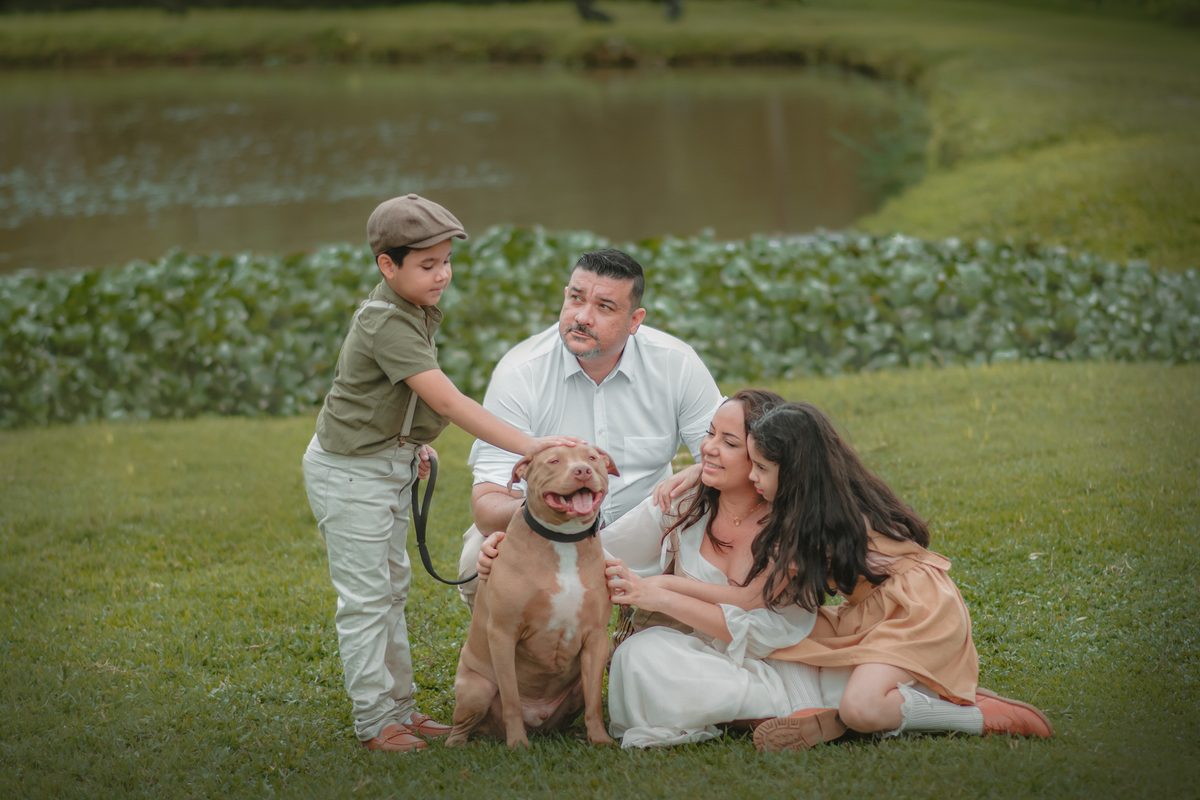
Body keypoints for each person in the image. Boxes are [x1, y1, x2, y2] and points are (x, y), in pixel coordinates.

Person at [301, 194, 580, 754]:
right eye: (428, 265)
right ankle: (375, 721)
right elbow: (448, 401)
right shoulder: (386, 321)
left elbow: (399, 396)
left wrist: (411, 443)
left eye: (447, 262)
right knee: (366, 599)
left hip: (384, 462)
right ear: (388, 265)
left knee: (392, 590)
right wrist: (532, 445)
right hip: (351, 473)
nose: (442, 275)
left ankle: (400, 709)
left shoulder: (411, 311)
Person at [739, 402, 1054, 749]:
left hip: (919, 611)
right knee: (770, 629)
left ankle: (979, 715)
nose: (751, 476)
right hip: (871, 612)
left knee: (861, 708)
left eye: (761, 467)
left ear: (796, 472)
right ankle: (808, 711)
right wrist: (697, 473)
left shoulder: (827, 519)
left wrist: (670, 591)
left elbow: (749, 597)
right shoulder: (822, 501)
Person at [455, 247, 722, 608]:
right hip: (547, 529)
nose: (582, 317)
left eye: (604, 307)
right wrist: (549, 510)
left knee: (706, 499)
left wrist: (700, 470)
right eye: (576, 299)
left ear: (634, 319)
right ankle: (517, 655)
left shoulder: (677, 364)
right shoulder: (520, 371)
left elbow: (732, 455)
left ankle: (656, 623)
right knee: (477, 559)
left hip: (647, 526)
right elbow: (486, 505)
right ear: (565, 296)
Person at [599, 390, 853, 748]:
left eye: (729, 442)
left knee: (856, 687)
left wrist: (660, 593)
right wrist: (500, 548)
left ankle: (790, 713)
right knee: (640, 654)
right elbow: (600, 551)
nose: (708, 448)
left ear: (767, 455)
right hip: (706, 658)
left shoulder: (795, 522)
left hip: (787, 659)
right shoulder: (683, 505)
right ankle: (771, 716)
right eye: (709, 433)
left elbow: (750, 608)